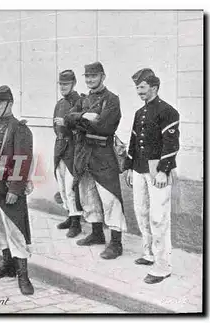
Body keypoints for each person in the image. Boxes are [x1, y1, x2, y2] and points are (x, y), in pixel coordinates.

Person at [64, 61, 127, 260]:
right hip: (84, 153)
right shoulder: (84, 100)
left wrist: (81, 121)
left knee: (110, 198)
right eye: (87, 76)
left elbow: (104, 126)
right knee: (87, 195)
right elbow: (68, 119)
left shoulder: (112, 99)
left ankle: (116, 243)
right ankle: (97, 233)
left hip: (103, 153)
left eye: (94, 76)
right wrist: (86, 116)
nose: (90, 79)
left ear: (103, 76)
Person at [124, 68, 180, 284]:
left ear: (154, 87)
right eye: (137, 87)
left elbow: (171, 143)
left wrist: (164, 170)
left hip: (158, 171)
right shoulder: (140, 113)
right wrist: (129, 166)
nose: (139, 91)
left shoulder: (168, 111)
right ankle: (149, 254)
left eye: (142, 87)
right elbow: (133, 140)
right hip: (139, 169)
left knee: (159, 217)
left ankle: (162, 265)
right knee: (141, 212)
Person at [0, 85, 34, 295]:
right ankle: (8, 264)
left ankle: (23, 275)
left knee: (15, 230)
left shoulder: (19, 129)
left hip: (8, 187)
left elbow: (23, 161)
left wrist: (15, 188)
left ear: (10, 104)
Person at [52, 70, 85, 238]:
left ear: (73, 84)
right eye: (61, 84)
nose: (63, 87)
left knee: (72, 187)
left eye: (66, 84)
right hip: (60, 147)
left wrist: (67, 125)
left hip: (73, 148)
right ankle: (69, 215)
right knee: (62, 186)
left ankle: (76, 222)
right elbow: (54, 126)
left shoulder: (80, 101)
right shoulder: (59, 104)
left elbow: (82, 126)